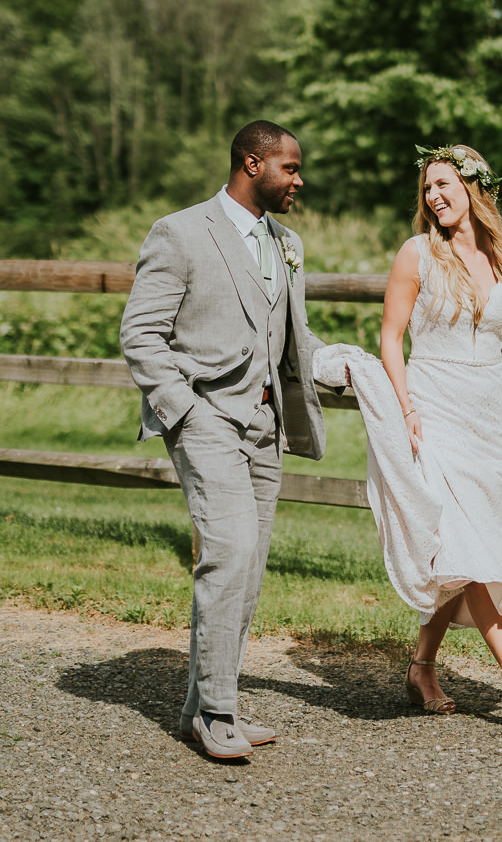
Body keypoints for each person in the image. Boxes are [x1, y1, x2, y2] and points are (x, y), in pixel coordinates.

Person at [118, 120, 339, 760]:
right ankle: (217, 713)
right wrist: (184, 412)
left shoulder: (287, 242)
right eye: (290, 169)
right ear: (253, 163)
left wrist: (342, 364)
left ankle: (203, 707)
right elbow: (141, 335)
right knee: (229, 553)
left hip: (267, 427)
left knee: (249, 567)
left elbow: (291, 336)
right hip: (205, 418)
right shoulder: (181, 232)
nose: (299, 180)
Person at [370, 144, 502, 730]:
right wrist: (405, 410)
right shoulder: (417, 254)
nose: (434, 196)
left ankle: (422, 665)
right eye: (427, 188)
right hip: (433, 409)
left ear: (476, 189)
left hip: (488, 419)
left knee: (471, 547)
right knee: (468, 546)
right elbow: (390, 339)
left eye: (445, 184)